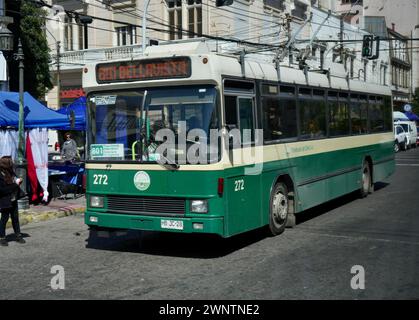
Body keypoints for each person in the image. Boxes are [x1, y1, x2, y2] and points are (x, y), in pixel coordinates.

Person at [0, 156, 25, 246]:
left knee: (15, 218)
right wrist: (15, 184)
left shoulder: (10, 172)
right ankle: (2, 237)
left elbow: (14, 180)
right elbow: (3, 190)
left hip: (13, 199)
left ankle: (18, 235)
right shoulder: (0, 174)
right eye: (11, 163)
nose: (12, 165)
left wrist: (18, 181)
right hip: (5, 200)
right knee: (4, 219)